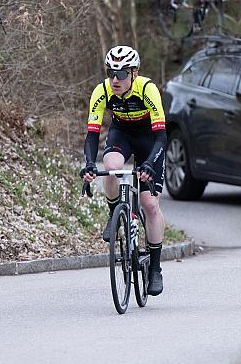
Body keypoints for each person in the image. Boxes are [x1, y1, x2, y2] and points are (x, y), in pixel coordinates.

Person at [80, 45, 167, 296]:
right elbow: (92, 135)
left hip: (150, 140)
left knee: (150, 205)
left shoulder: (147, 89)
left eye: (121, 73)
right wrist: (88, 163)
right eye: (111, 73)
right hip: (122, 134)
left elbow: (162, 136)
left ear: (134, 74)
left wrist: (149, 163)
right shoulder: (102, 91)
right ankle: (114, 214)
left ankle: (155, 268)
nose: (115, 79)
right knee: (111, 167)